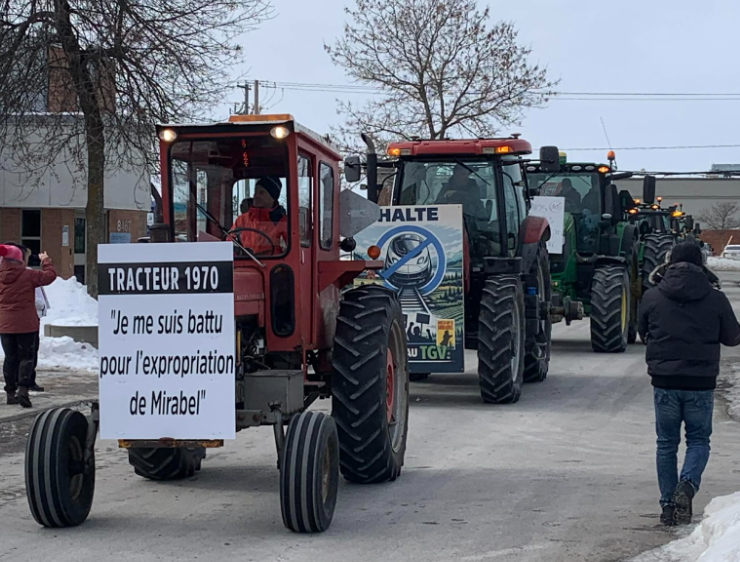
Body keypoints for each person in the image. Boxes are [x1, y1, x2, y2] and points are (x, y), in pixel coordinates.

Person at [638, 242, 740, 526]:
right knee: (698, 440)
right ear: (702, 265)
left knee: (666, 443)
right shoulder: (716, 298)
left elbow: (641, 331)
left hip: (664, 382)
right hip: (701, 383)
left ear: (668, 263)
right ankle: (688, 485)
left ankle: (669, 506)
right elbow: (733, 337)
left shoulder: (653, 296)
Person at [0, 245, 56, 407]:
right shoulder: (28, 275)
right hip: (26, 324)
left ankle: (10, 394)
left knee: (10, 359)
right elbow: (50, 276)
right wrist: (46, 261)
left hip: (5, 325)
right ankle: (23, 390)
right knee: (26, 357)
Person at [229, 176, 287, 255]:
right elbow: (229, 242)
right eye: (255, 192)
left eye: (261, 192)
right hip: (244, 264)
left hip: (273, 265)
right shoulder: (241, 220)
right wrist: (238, 253)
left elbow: (292, 251)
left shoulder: (282, 221)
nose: (256, 195)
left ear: (273, 197)